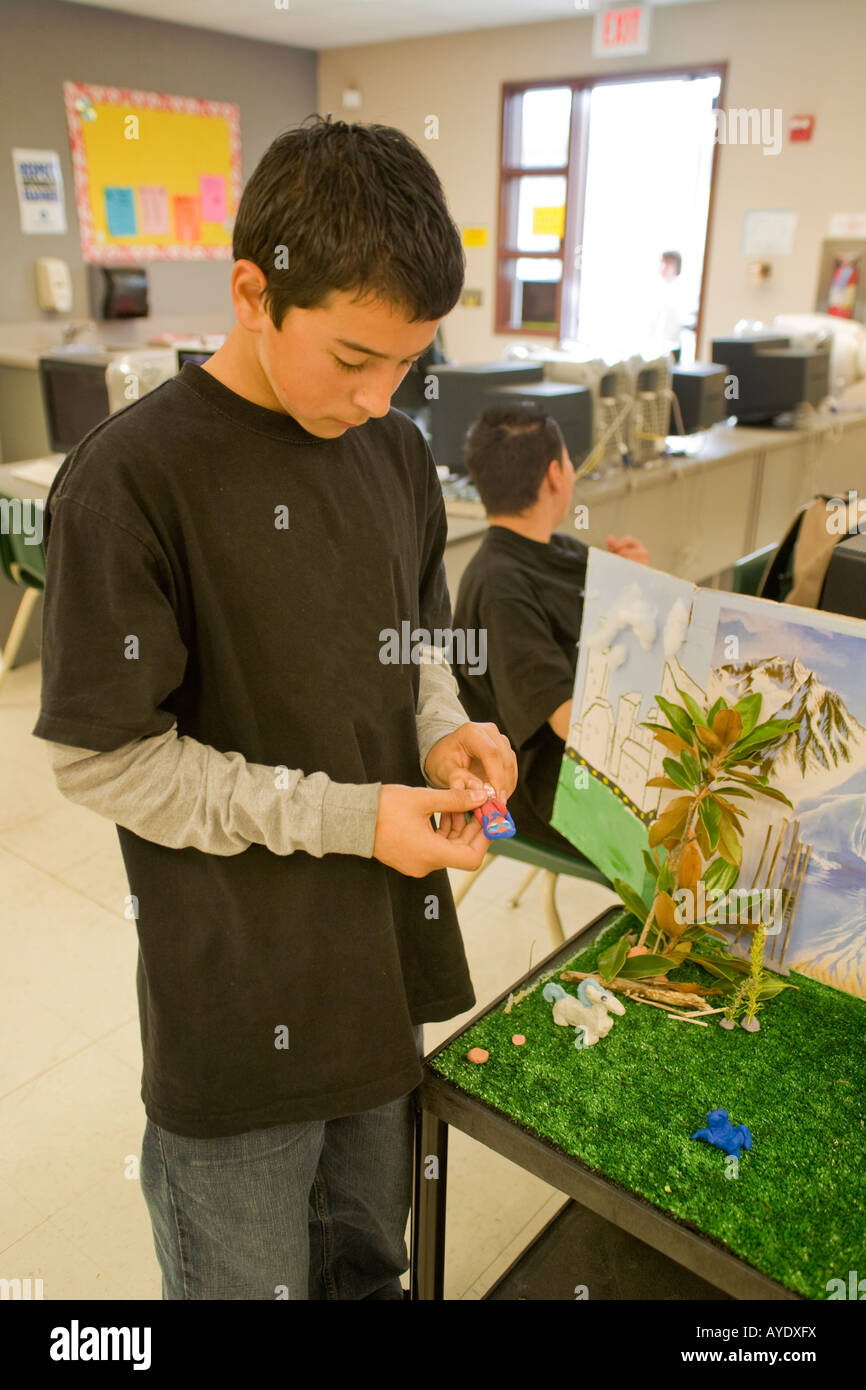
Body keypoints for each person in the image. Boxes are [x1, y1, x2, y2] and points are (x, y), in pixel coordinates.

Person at [32, 115, 517, 1301]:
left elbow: (410, 645)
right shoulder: (132, 479)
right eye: (352, 358)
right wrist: (357, 819)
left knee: (369, 1258)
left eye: (406, 362)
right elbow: (106, 764)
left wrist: (442, 727)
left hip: (378, 972)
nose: (378, 394)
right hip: (238, 1001)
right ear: (253, 291)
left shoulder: (396, 455)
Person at [452, 405, 648, 857]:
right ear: (556, 475)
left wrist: (637, 589)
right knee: (704, 839)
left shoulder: (558, 550)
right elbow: (572, 720)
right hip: (545, 787)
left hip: (584, 760)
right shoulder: (501, 587)